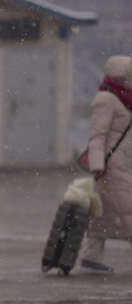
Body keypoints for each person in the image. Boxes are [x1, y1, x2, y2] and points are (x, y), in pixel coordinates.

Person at [83, 55, 132, 273]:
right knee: (127, 211)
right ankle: (91, 258)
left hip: (124, 163)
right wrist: (97, 165)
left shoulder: (125, 97)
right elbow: (98, 135)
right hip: (111, 166)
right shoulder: (106, 99)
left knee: (103, 214)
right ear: (121, 76)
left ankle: (91, 258)